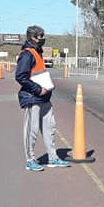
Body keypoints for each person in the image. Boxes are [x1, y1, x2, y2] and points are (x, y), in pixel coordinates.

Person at [15, 25, 69, 172]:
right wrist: (38, 89)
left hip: (44, 99)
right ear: (33, 37)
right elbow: (20, 76)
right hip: (32, 98)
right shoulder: (27, 54)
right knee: (31, 130)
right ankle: (30, 160)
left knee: (50, 127)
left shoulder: (37, 52)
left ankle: (53, 157)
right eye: (41, 36)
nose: (43, 39)